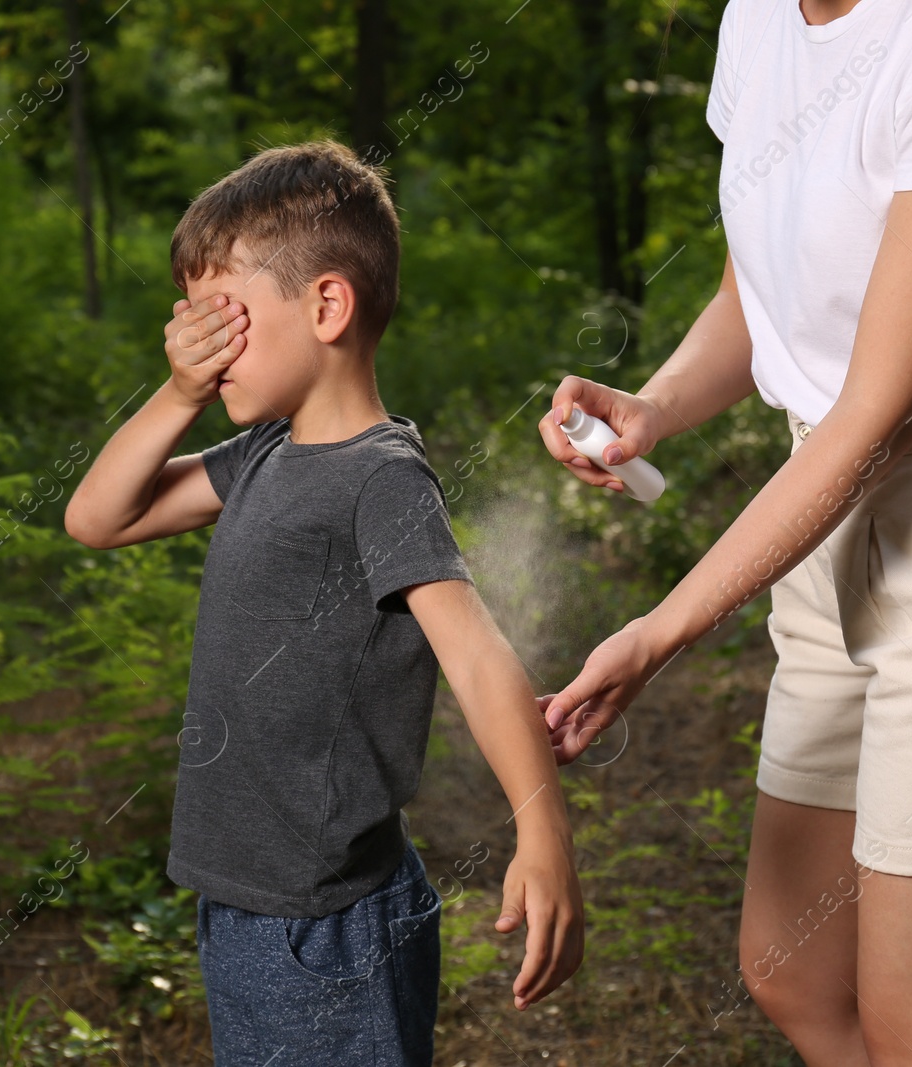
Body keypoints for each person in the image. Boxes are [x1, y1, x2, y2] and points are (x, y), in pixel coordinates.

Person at [536, 0, 912, 1062]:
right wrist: (658, 402)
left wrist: (661, 628)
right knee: (794, 975)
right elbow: (763, 283)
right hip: (833, 520)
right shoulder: (759, 21)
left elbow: (882, 411)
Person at [64, 139, 583, 1066]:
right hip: (243, 899)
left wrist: (542, 834)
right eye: (189, 321)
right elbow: (98, 518)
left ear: (328, 305)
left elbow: (475, 653)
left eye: (223, 315)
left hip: (327, 921)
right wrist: (178, 392)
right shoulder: (266, 451)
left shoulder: (377, 479)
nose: (200, 342)